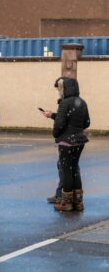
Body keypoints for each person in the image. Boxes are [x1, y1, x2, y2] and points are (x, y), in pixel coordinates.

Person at [41, 77, 90, 211]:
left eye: (60, 88)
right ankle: (78, 202)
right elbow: (86, 122)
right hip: (79, 140)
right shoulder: (82, 102)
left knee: (66, 170)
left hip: (66, 141)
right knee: (74, 169)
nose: (59, 91)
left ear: (65, 88)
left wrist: (56, 134)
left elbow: (60, 124)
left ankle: (66, 202)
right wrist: (53, 116)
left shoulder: (65, 103)